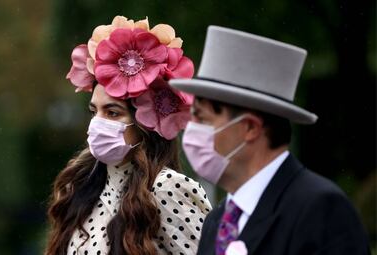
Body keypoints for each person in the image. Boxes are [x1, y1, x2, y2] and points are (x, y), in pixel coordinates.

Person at [170, 26, 370, 255]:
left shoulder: (320, 209)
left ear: (250, 128)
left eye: (202, 119)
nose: (191, 131)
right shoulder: (216, 222)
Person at [45, 16, 212, 255]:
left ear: (146, 122)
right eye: (94, 111)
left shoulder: (166, 188)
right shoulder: (81, 186)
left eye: (113, 113)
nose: (98, 123)